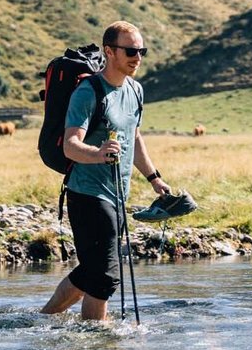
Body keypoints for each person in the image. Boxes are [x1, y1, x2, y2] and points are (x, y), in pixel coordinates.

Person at [40, 21, 173, 321]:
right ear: (109, 52)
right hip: (87, 194)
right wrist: (98, 154)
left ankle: (45, 318)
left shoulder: (136, 91)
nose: (137, 57)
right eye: (130, 51)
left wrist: (154, 179)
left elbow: (134, 137)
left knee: (93, 270)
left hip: (117, 195)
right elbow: (71, 146)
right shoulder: (87, 93)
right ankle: (96, 339)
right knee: (106, 276)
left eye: (141, 51)